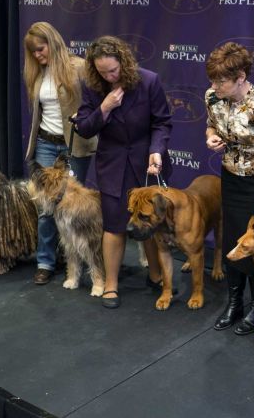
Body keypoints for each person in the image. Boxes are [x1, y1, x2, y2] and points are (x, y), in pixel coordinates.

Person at [74, 36, 172, 309]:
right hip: (113, 164)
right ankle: (111, 285)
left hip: (146, 161)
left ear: (124, 63)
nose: (109, 76)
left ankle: (155, 276)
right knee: (114, 225)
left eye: (113, 71)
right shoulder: (93, 88)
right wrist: (104, 108)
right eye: (103, 72)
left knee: (150, 224)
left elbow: (162, 123)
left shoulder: (149, 81)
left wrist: (156, 150)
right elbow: (83, 127)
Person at [205, 42, 254, 335]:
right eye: (212, 79)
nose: (215, 85)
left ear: (241, 76)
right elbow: (210, 126)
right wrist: (211, 137)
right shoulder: (212, 95)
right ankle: (235, 302)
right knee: (232, 245)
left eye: (221, 80)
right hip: (231, 179)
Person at [23, 22, 97, 285]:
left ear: (53, 43)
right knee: (45, 207)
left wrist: (85, 117)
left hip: (74, 144)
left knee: (74, 208)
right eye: (33, 52)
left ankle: (81, 258)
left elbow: (95, 103)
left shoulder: (79, 68)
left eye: (40, 50)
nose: (37, 56)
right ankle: (45, 261)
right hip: (45, 143)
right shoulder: (37, 73)